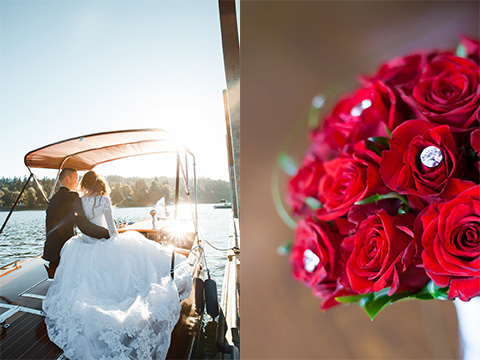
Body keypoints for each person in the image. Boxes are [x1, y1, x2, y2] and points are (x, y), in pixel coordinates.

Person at [43, 170, 192, 360]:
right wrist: (113, 237)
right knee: (130, 263)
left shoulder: (78, 200)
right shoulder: (103, 200)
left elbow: (83, 225)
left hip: (85, 244)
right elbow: (112, 229)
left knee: (88, 280)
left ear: (85, 185)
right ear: (100, 184)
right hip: (103, 239)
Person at [44, 168, 110, 278]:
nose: (78, 183)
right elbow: (85, 227)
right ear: (67, 179)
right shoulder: (72, 197)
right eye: (76, 179)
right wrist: (108, 234)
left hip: (51, 251)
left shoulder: (53, 199)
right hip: (64, 252)